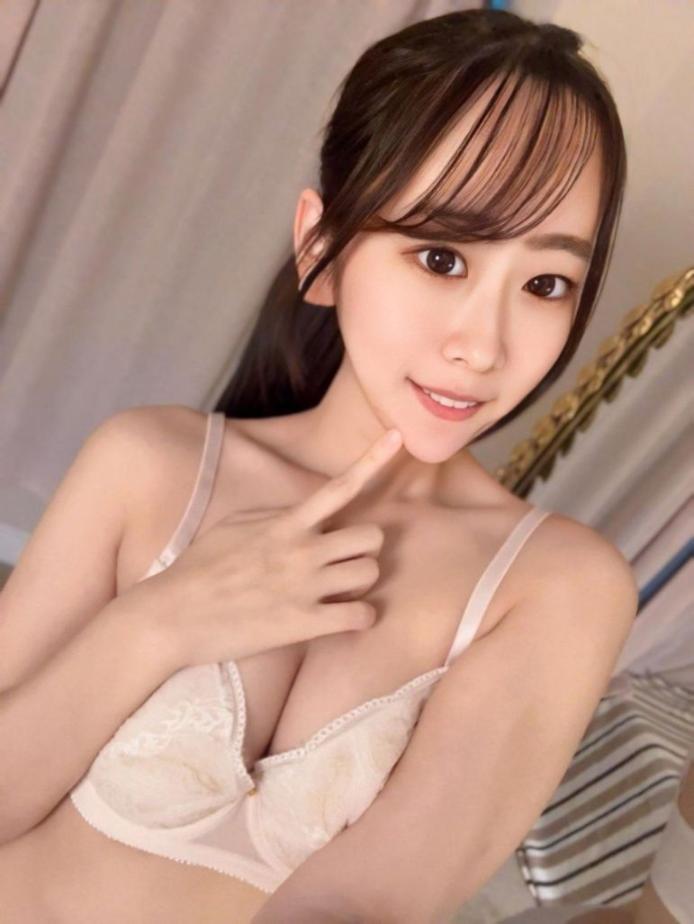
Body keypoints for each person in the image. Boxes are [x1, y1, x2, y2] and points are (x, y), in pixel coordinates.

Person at [0, 9, 640, 923]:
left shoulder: (557, 588)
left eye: (546, 284)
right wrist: (159, 621)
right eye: (440, 257)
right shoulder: (146, 465)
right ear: (322, 249)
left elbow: (367, 902)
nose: (485, 346)